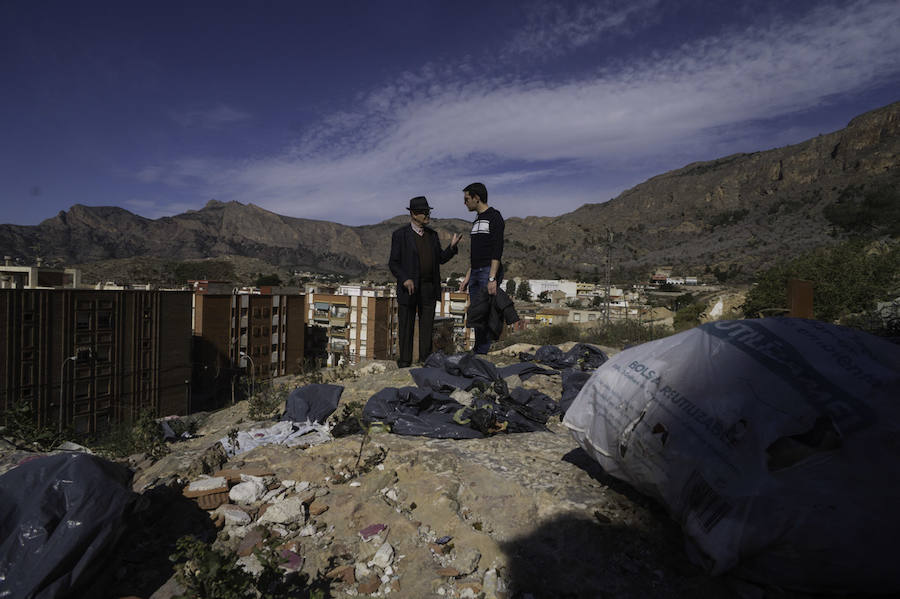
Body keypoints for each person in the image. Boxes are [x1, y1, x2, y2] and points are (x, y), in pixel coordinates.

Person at [389, 196, 462, 367]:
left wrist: (451, 248)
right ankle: (404, 363)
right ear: (414, 214)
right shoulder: (400, 235)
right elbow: (393, 262)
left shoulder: (433, 235)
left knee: (427, 325)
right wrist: (405, 278)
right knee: (406, 326)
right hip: (409, 288)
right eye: (424, 212)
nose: (427, 215)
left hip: (429, 287)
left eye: (428, 211)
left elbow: (440, 259)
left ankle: (425, 361)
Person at [457, 182, 505, 354]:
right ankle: (478, 350)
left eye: (467, 199)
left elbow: (496, 250)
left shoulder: (494, 216)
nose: (465, 203)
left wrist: (492, 278)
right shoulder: (476, 220)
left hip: (487, 271)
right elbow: (475, 254)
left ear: (477, 198)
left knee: (485, 312)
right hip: (476, 272)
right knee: (477, 313)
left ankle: (483, 351)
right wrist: (467, 277)